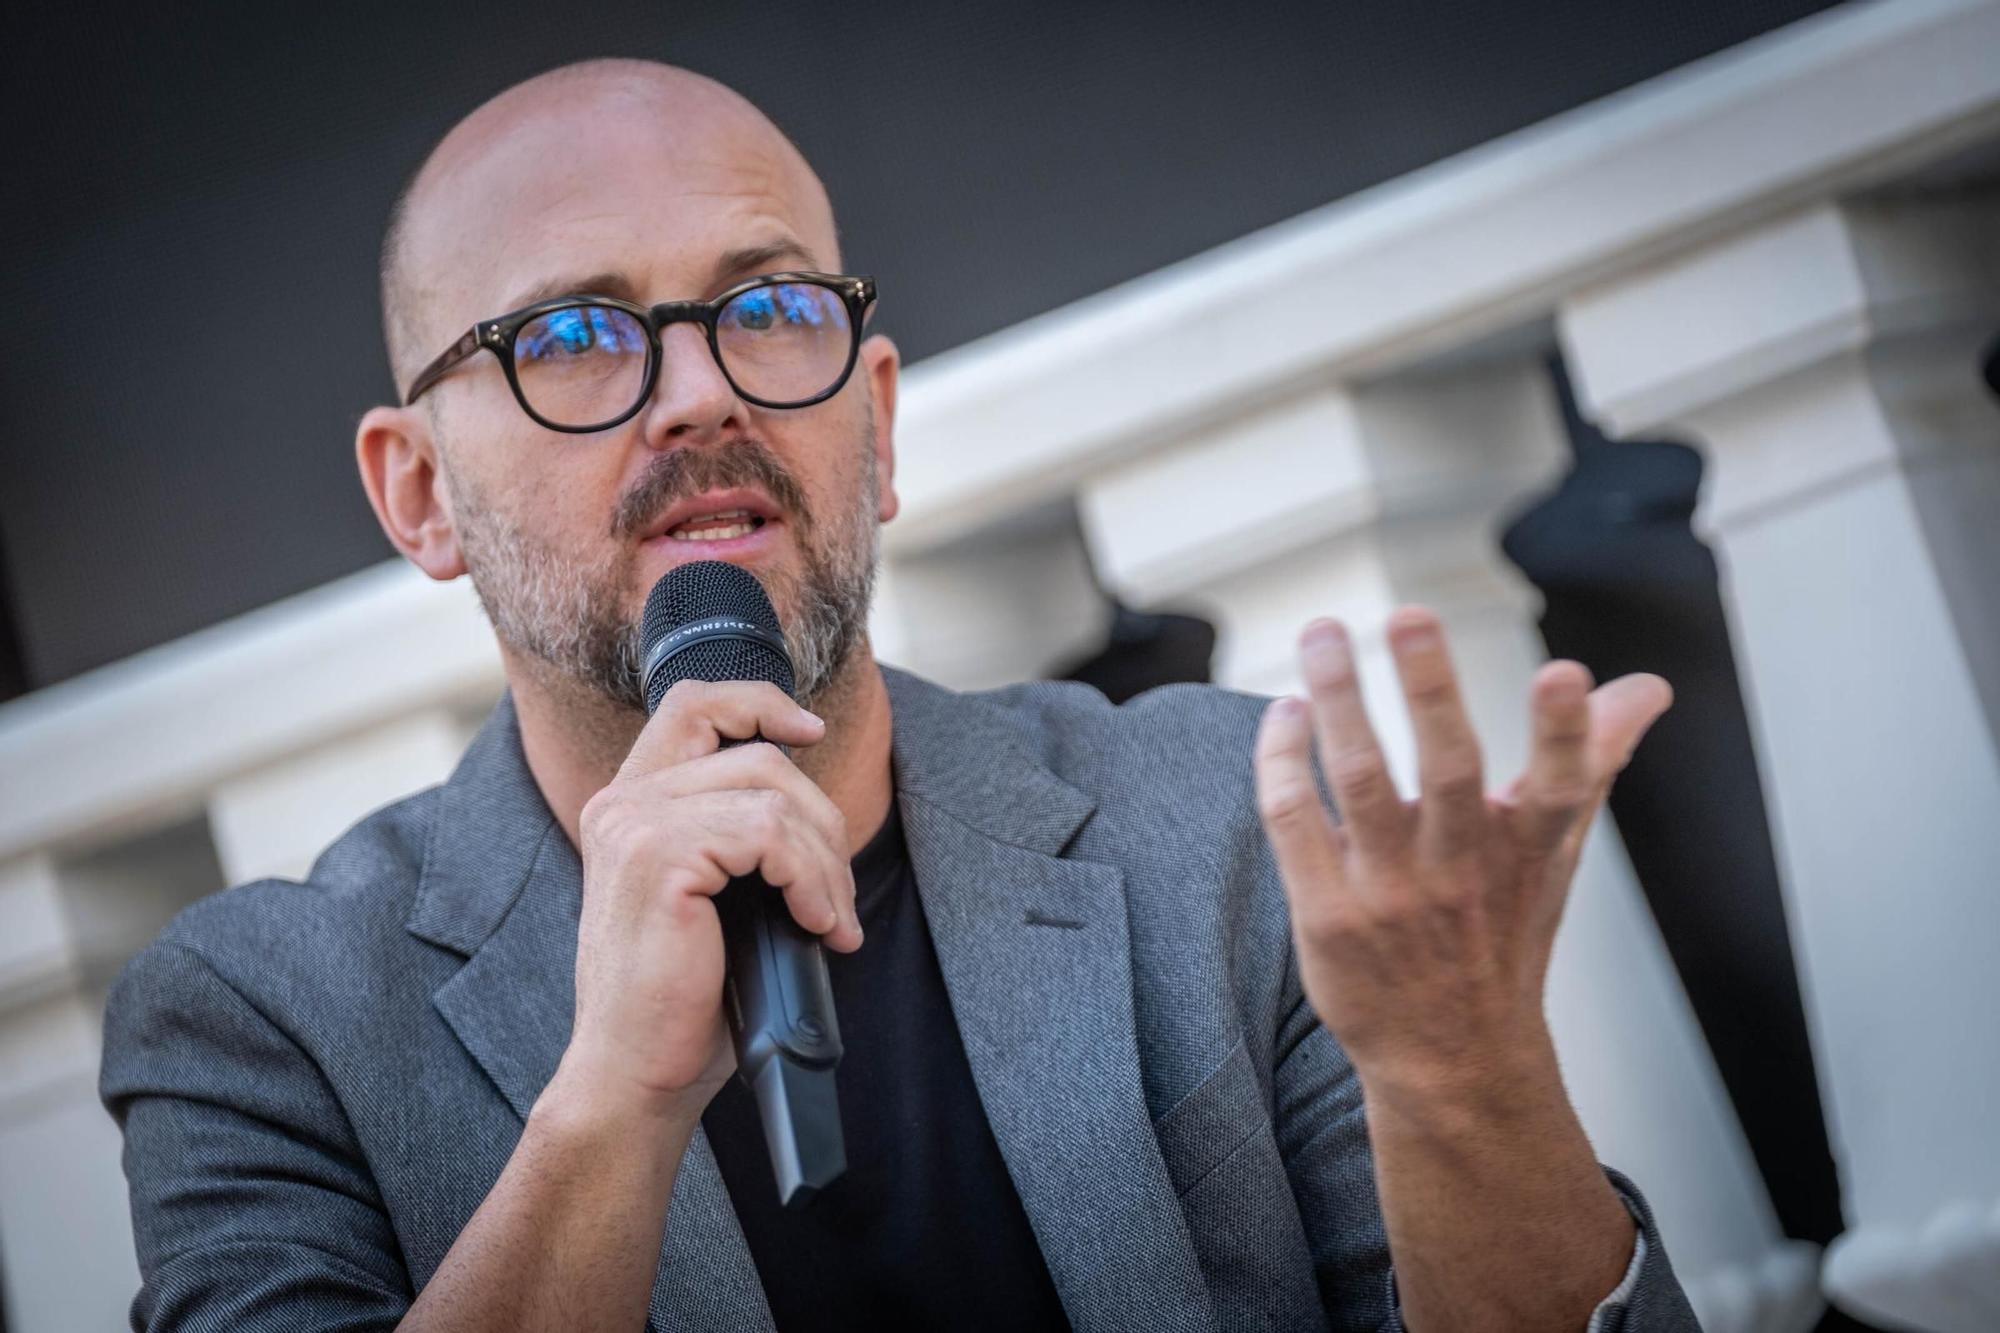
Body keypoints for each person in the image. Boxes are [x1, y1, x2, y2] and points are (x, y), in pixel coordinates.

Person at [99, 58, 1699, 1332]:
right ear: (419, 493)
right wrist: (609, 1110)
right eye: (576, 336)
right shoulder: (262, 1022)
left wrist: (1465, 1080)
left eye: (771, 308)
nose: (705, 386)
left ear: (874, 420)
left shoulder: (1227, 820)